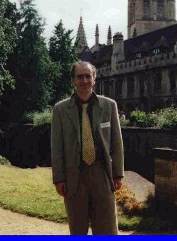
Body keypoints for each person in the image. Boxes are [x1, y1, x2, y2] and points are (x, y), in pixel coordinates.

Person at [51, 61, 124, 235]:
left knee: (106, 227)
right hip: (74, 176)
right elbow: (56, 147)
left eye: (87, 76)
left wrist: (118, 173)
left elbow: (117, 142)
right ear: (73, 81)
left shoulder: (109, 105)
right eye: (79, 77)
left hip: (101, 173)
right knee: (78, 228)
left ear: (94, 79)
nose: (84, 80)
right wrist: (59, 178)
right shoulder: (60, 110)